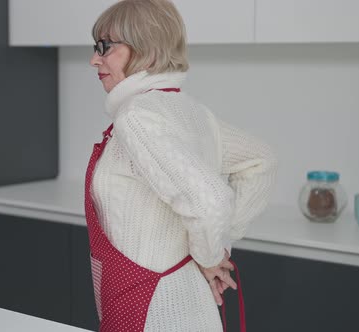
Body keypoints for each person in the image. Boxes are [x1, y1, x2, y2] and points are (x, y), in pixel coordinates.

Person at [84, 0, 278, 331]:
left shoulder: (137, 117)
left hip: (153, 311)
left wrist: (212, 254)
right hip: (187, 300)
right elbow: (262, 159)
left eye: (105, 47)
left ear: (146, 48)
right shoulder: (193, 113)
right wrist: (216, 244)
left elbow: (210, 200)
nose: (94, 59)